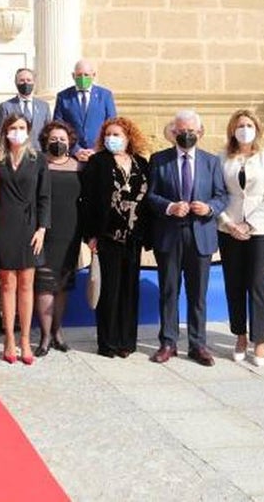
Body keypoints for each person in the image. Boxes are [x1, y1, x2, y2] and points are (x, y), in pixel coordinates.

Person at [146, 109, 227, 366]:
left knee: (198, 293)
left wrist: (210, 208)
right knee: (169, 291)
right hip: (169, 235)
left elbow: (222, 195)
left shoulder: (211, 161)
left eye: (191, 131)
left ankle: (198, 344)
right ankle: (168, 342)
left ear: (200, 133)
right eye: (181, 131)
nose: (186, 135)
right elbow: (150, 195)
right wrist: (169, 207)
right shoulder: (159, 160)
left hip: (200, 234)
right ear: (173, 133)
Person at [217, 110, 264, 367]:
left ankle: (260, 339)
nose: (243, 129)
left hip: (262, 229)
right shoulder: (222, 157)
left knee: (257, 283)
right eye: (239, 126)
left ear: (256, 128)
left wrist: (249, 224)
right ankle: (240, 336)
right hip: (229, 228)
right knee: (234, 283)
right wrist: (228, 223)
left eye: (248, 125)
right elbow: (218, 193)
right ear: (232, 130)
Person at [81, 117, 150, 358]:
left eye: (117, 134)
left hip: (133, 237)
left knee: (129, 289)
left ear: (128, 137)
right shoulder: (97, 162)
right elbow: (87, 201)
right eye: (108, 134)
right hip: (107, 235)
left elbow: (148, 199)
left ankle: (126, 342)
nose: (112, 138)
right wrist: (90, 235)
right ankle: (107, 343)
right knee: (109, 290)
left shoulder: (141, 163)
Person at [0, 113, 50, 365]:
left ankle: (25, 339)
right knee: (7, 284)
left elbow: (45, 196)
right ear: (5, 130)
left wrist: (42, 228)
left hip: (30, 228)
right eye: (13, 127)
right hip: (2, 226)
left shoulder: (38, 159)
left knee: (26, 284)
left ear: (29, 131)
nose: (17, 131)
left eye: (22, 127)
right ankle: (9, 339)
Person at [34, 121, 84, 356]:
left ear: (70, 141)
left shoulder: (80, 167)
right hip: (44, 232)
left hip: (70, 232)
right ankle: (44, 337)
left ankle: (58, 332)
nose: (58, 142)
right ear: (45, 140)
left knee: (63, 285)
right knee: (44, 285)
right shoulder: (37, 164)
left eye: (63, 139)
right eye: (54, 138)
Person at [52, 59, 118, 162]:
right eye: (79, 75)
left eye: (86, 75)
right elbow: (58, 126)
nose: (83, 78)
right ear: (73, 76)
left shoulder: (105, 95)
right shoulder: (63, 97)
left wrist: (96, 149)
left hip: (100, 154)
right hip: (73, 156)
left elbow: (112, 124)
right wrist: (76, 150)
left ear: (93, 75)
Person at [0, 68, 51, 151]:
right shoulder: (6, 106)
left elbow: (48, 132)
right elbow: (2, 134)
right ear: (16, 83)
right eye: (22, 80)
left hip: (39, 153)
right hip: (15, 153)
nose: (25, 83)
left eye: (29, 80)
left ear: (34, 82)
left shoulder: (44, 106)